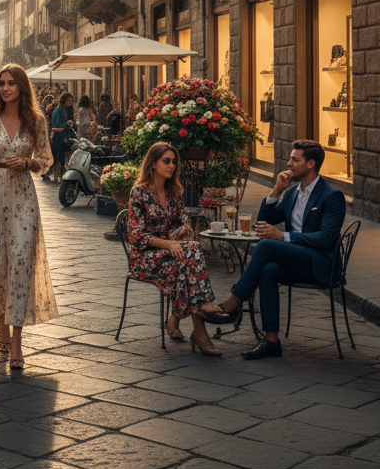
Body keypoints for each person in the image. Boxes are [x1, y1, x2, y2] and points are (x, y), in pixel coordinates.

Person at [212, 140, 346, 360]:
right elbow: (262, 224)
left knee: (267, 246)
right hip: (297, 261)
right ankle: (271, 340)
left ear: (311, 164)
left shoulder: (332, 196)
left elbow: (325, 238)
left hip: (321, 264)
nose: (289, 163)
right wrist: (276, 190)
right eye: (290, 159)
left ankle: (234, 301)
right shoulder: (292, 193)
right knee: (269, 269)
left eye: (295, 159)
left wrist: (282, 236)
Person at [0, 63, 57, 370]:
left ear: (22, 87)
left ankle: (16, 339)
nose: (5, 88)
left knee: (20, 261)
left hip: (23, 196)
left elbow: (45, 160)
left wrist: (28, 162)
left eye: (11, 84)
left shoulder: (36, 121)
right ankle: (2, 321)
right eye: (1, 83)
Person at [127, 142, 231, 354]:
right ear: (153, 163)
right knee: (189, 258)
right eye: (166, 161)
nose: (171, 165)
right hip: (144, 258)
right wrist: (169, 243)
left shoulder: (175, 192)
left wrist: (181, 237)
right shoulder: (139, 193)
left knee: (186, 260)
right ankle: (198, 311)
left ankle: (193, 326)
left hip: (172, 255)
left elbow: (183, 224)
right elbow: (136, 235)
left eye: (174, 161)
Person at [49, 92, 74, 182]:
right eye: (68, 100)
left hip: (61, 135)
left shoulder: (66, 109)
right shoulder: (59, 110)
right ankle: (56, 176)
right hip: (58, 136)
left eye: (71, 101)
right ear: (64, 100)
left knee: (60, 157)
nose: (70, 102)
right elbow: (58, 124)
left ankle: (58, 176)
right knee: (58, 157)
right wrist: (66, 124)